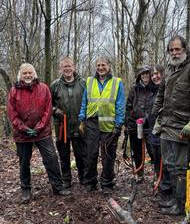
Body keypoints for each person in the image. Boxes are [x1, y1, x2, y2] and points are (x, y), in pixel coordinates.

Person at [152, 36, 190, 215]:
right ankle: (174, 200)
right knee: (169, 164)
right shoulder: (168, 69)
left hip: (183, 126)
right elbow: (161, 94)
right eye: (171, 50)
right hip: (166, 124)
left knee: (181, 166)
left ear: (185, 50)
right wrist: (155, 116)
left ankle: (181, 203)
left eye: (178, 49)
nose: (175, 53)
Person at [7, 63, 71, 204]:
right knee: (24, 162)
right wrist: (24, 128)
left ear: (34, 74)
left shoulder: (44, 89)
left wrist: (39, 127)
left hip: (42, 132)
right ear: (20, 75)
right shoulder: (13, 92)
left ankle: (57, 187)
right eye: (25, 73)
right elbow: (12, 114)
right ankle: (26, 190)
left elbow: (48, 110)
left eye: (30, 73)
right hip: (22, 135)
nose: (28, 75)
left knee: (52, 158)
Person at [78, 56, 126, 195]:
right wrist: (82, 119)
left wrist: (118, 125)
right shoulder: (89, 81)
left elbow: (120, 105)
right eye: (98, 65)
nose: (100, 68)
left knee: (108, 155)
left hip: (109, 124)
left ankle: (107, 183)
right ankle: (90, 182)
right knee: (90, 154)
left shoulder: (117, 83)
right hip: (91, 122)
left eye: (103, 65)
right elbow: (85, 101)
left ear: (109, 66)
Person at [50, 57, 87, 189]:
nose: (67, 69)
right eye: (64, 67)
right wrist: (55, 110)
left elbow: (89, 101)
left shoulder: (83, 83)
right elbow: (48, 104)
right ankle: (66, 179)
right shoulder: (55, 85)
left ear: (74, 67)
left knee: (81, 154)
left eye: (69, 66)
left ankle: (83, 177)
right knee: (64, 155)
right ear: (60, 68)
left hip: (79, 125)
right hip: (62, 126)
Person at [145, 64, 172, 203]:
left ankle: (167, 193)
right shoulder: (150, 92)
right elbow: (150, 112)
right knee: (156, 162)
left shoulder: (168, 89)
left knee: (166, 163)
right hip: (152, 134)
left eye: (157, 73)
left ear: (163, 73)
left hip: (165, 132)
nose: (155, 76)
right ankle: (160, 188)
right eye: (153, 74)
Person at [125, 65, 157, 181]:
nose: (145, 76)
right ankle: (139, 174)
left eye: (147, 74)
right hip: (135, 124)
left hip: (151, 125)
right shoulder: (134, 89)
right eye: (142, 74)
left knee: (153, 150)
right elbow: (128, 106)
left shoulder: (155, 88)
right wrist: (127, 122)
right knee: (136, 151)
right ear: (139, 76)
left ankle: (157, 175)